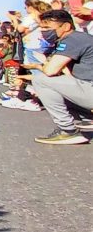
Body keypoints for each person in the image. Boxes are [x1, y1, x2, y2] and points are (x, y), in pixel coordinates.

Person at [30, 10, 93, 144]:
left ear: (66, 26)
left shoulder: (73, 39)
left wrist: (37, 66)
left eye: (47, 28)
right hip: (87, 85)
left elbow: (50, 70)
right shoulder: (77, 38)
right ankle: (87, 117)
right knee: (55, 89)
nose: (43, 31)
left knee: (40, 80)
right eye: (41, 27)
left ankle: (68, 131)